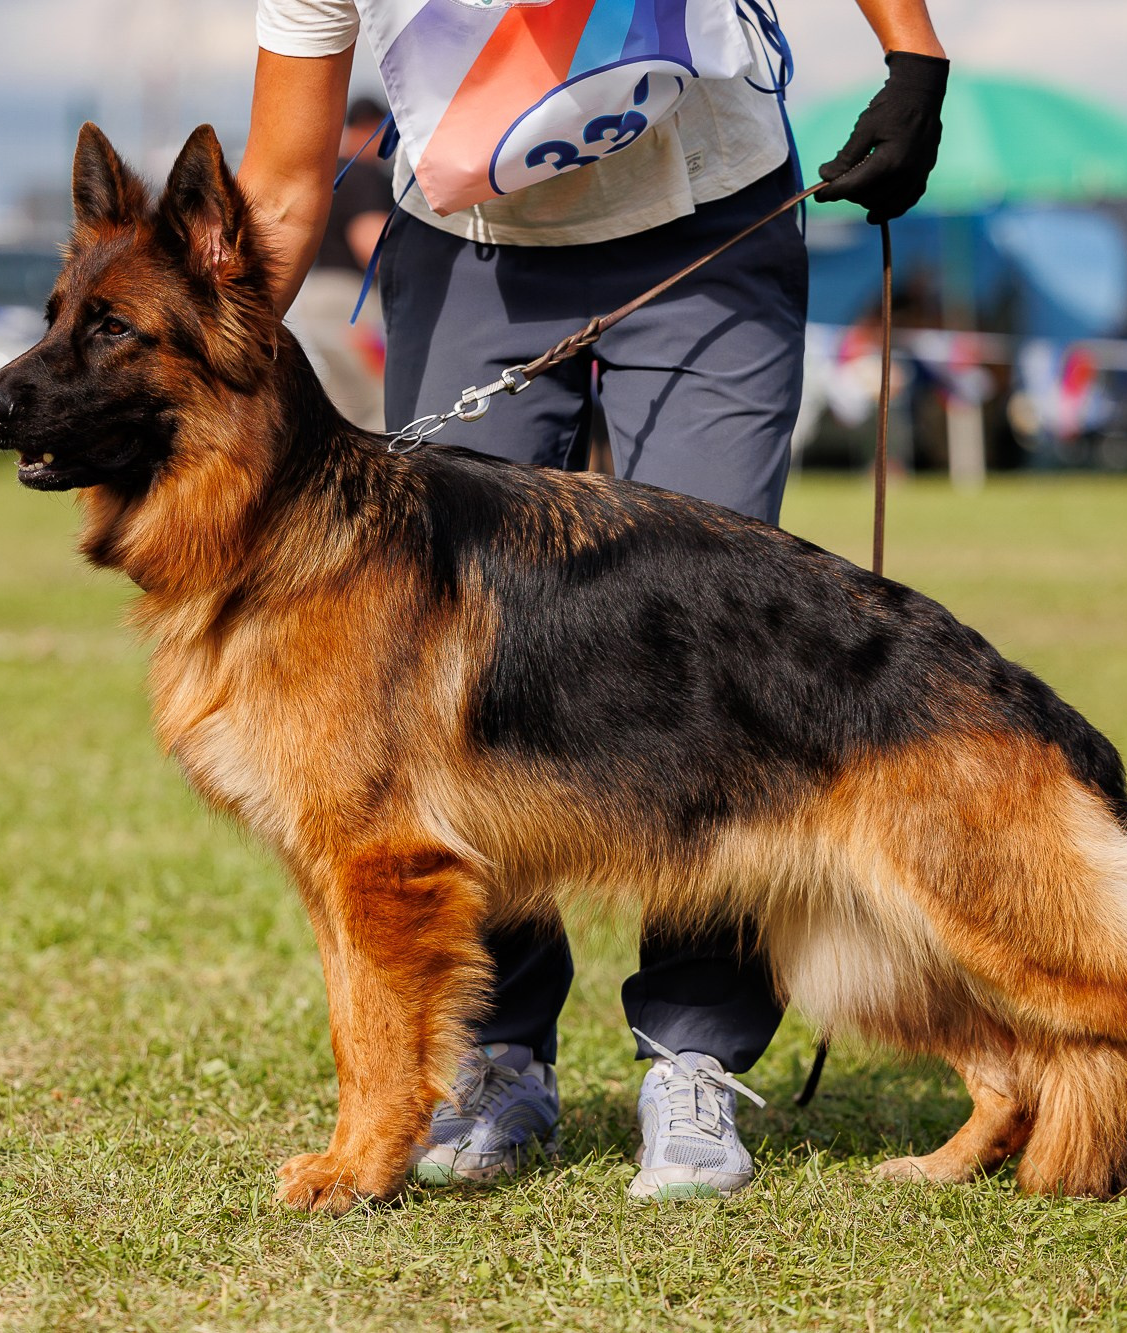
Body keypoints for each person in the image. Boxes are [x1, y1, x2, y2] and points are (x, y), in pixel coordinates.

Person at [238, 0, 948, 1200]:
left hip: (707, 207)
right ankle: (496, 1054)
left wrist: (911, 52)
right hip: (466, 241)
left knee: (703, 651)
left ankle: (695, 1051)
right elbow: (280, 184)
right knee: (450, 678)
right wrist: (190, 344)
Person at [284, 96, 394, 429]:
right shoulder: (364, 173)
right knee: (380, 400)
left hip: (315, 298)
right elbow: (369, 240)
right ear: (372, 128)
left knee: (344, 405)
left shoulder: (327, 176)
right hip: (353, 306)